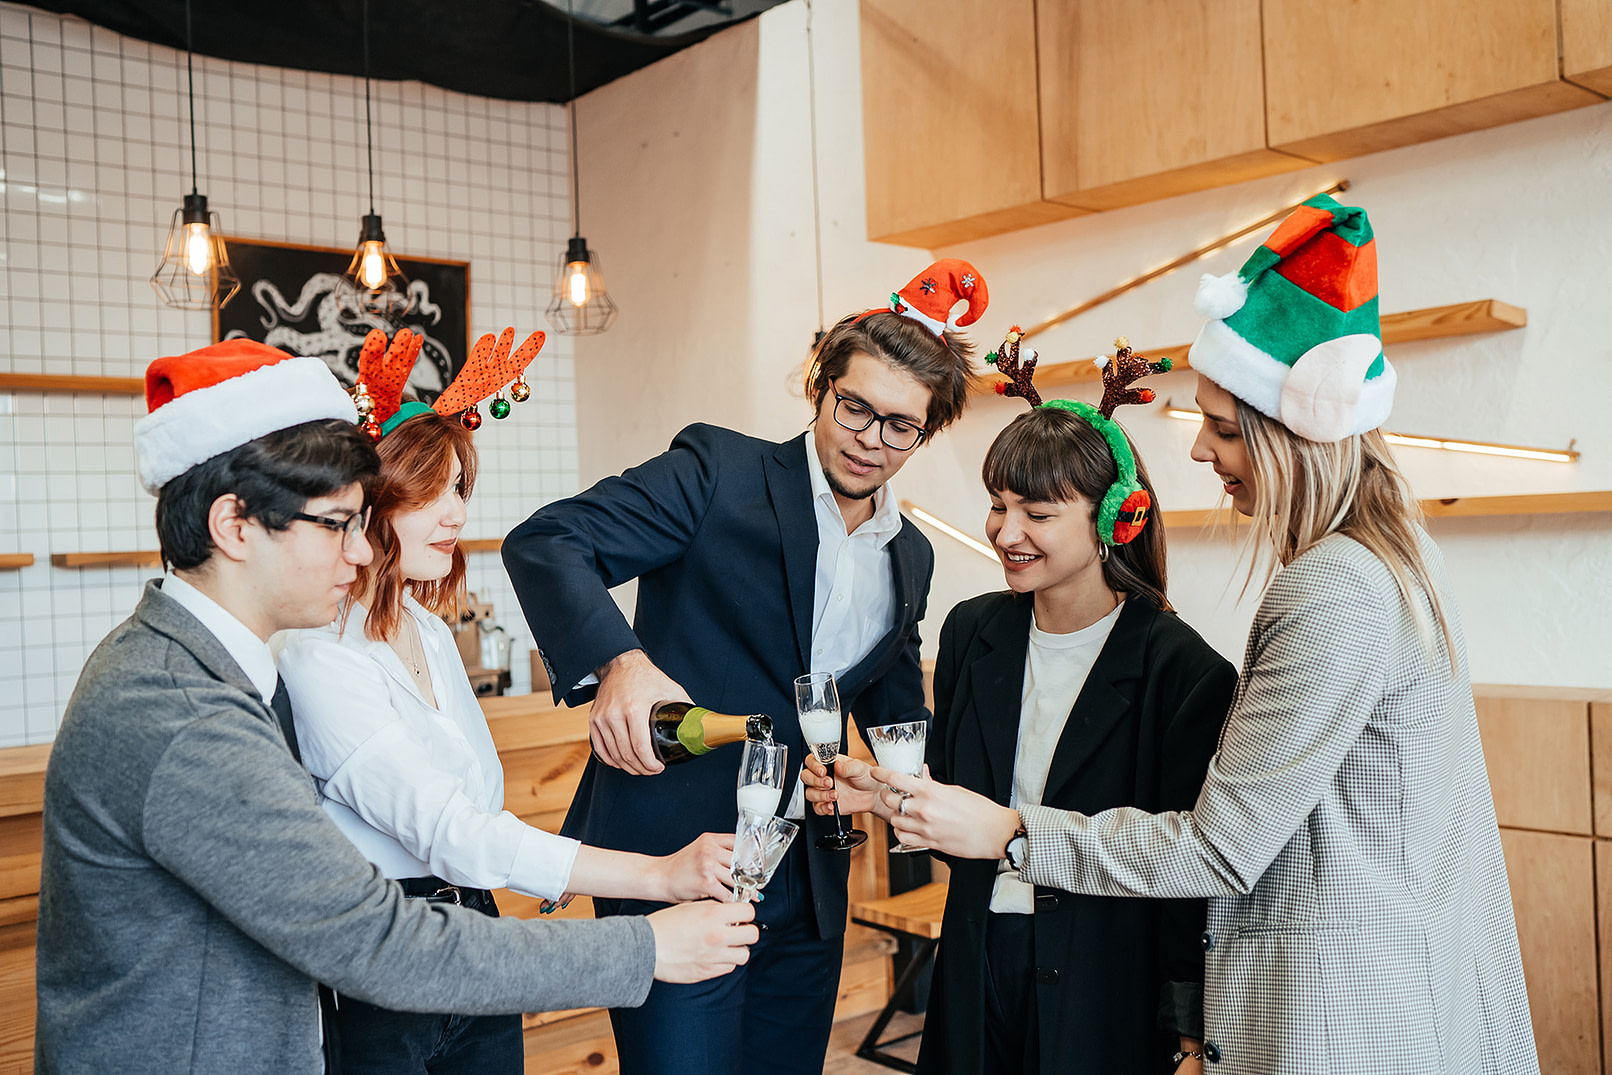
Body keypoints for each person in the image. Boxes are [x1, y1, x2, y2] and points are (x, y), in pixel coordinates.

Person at [873, 196, 1538, 1073]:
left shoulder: (1329, 592)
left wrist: (1011, 832)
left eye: (1222, 428)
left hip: (1343, 1008)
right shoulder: (1401, 555)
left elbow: (1219, 846)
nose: (1199, 452)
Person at [34, 340, 756, 1075]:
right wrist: (646, 945)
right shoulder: (185, 711)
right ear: (234, 526)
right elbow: (377, 940)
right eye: (337, 523)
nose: (360, 552)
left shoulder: (201, 673)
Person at [501, 260, 989, 1075]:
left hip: (811, 876)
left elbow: (898, 719)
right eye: (855, 406)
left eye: (900, 425)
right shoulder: (717, 473)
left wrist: (916, 795)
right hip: (678, 860)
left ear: (927, 431)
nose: (871, 439)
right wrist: (621, 661)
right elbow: (549, 540)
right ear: (821, 386)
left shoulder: (911, 555)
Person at [276, 330, 738, 1073]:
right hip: (380, 962)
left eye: (460, 489)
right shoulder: (315, 653)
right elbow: (453, 832)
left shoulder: (429, 630)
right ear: (369, 499)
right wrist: (660, 875)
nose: (456, 514)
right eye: (431, 491)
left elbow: (481, 813)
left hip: (478, 941)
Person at [806, 332, 1235, 1074]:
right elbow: (962, 815)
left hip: (1105, 988)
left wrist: (1189, 1035)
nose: (1007, 533)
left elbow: (1185, 874)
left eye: (1037, 513)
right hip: (976, 964)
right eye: (998, 506)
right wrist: (880, 794)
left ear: (1116, 519)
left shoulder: (1184, 672)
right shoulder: (973, 632)